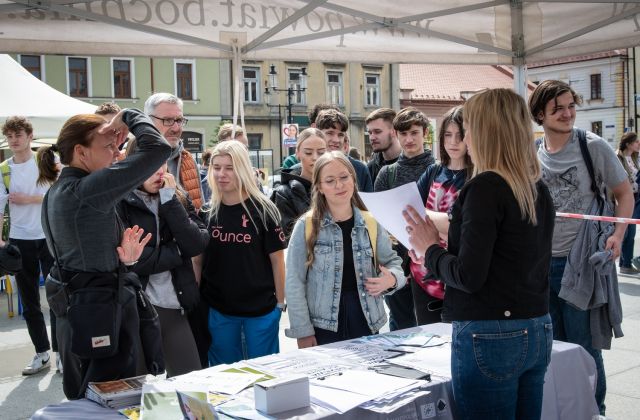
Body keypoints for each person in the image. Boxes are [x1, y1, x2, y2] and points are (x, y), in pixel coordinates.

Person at [403, 88, 555, 418]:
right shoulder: (535, 187)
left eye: (469, 127)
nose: (466, 137)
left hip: (491, 332)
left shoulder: (485, 186)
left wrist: (429, 248)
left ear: (485, 131)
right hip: (537, 325)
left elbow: (467, 276)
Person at [38, 109, 171, 399]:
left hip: (83, 311)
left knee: (90, 400)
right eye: (108, 146)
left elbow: (82, 252)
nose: (118, 153)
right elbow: (159, 148)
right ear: (80, 152)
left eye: (118, 146)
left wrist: (124, 259)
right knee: (113, 402)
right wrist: (129, 116)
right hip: (101, 314)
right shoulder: (86, 191)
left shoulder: (61, 190)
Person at [529, 80, 632, 415]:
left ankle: (593, 411)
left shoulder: (593, 145)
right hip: (543, 264)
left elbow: (624, 194)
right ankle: (563, 408)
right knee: (553, 346)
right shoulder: (533, 153)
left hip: (582, 262)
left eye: (570, 105)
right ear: (540, 114)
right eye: (557, 108)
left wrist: (618, 234)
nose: (567, 113)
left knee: (582, 346)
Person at [285, 151, 404, 347]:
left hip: (366, 320)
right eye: (330, 180)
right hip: (322, 326)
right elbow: (294, 282)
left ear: (353, 179)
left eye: (343, 177)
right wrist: (303, 331)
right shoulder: (306, 226)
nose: (339, 185)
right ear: (320, 187)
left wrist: (391, 279)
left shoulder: (371, 222)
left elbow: (393, 262)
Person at [117, 142, 209, 377]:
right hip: (138, 304)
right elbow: (135, 260)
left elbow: (196, 243)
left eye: (163, 163)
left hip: (175, 303)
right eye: (151, 164)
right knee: (138, 389)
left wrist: (170, 201)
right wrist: (178, 252)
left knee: (191, 382)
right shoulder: (119, 201)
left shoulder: (175, 195)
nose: (160, 172)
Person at [201, 140, 286, 365]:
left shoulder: (264, 210)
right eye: (216, 167)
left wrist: (280, 304)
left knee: (264, 374)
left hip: (261, 311)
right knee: (224, 376)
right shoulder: (207, 213)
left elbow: (278, 261)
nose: (221, 174)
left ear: (242, 170)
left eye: (229, 168)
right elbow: (198, 261)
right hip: (219, 309)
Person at [0, 116, 55, 375]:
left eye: (18, 135)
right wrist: (1, 241)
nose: (13, 140)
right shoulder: (4, 169)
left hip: (49, 236)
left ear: (30, 136)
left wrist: (28, 198)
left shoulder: (45, 160)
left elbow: (58, 194)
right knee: (30, 301)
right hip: (21, 240)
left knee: (58, 298)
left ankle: (61, 353)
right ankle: (41, 353)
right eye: (9, 136)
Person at [374, 107, 435, 331]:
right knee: (401, 325)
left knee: (433, 326)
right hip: (397, 260)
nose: (409, 139)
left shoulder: (438, 170)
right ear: (396, 135)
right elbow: (378, 219)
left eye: (414, 133)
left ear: (425, 133)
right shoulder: (387, 173)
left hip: (431, 260)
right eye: (404, 134)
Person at [412, 106, 472, 325]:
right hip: (423, 271)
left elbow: (459, 224)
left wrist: (424, 217)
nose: (453, 142)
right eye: (448, 134)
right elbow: (409, 211)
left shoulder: (476, 177)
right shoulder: (434, 171)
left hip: (456, 272)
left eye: (460, 135)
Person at [144, 93, 204, 210]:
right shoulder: (128, 159)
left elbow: (198, 213)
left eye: (179, 120)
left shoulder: (188, 160)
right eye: (168, 120)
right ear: (148, 121)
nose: (176, 128)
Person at [270, 128, 327, 239]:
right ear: (297, 153)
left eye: (321, 152)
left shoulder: (336, 187)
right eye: (308, 152)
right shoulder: (283, 194)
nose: (315, 157)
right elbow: (289, 239)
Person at [315, 109, 373, 192]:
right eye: (330, 133)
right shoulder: (307, 168)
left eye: (340, 135)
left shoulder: (359, 169)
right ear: (318, 134)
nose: (336, 140)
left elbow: (367, 203)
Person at [616, 132, 640, 275]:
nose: (638, 144)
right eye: (636, 142)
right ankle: (625, 264)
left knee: (630, 232)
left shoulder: (635, 158)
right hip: (623, 198)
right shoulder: (618, 158)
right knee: (627, 232)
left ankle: (626, 262)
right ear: (628, 144)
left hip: (635, 197)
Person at [366, 108, 401, 183]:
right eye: (370, 133)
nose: (372, 137)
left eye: (377, 132)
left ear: (394, 132)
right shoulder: (369, 169)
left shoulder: (412, 164)